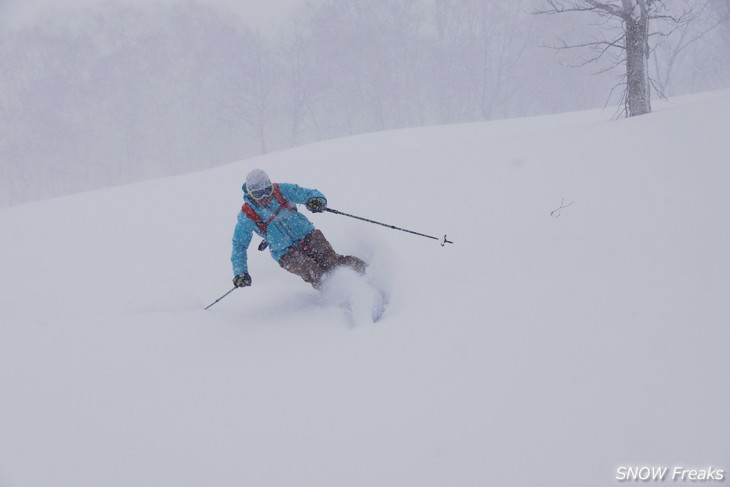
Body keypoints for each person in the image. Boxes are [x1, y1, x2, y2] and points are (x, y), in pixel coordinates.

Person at [231, 169, 367, 290]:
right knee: (313, 271)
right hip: (284, 252)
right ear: (250, 194)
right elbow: (239, 245)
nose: (264, 197)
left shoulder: (282, 190)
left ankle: (369, 273)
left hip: (308, 235)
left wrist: (316, 200)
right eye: (258, 194)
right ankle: (337, 295)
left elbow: (309, 193)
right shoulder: (247, 214)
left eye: (267, 191)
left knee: (331, 261)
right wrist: (240, 273)